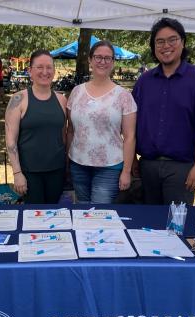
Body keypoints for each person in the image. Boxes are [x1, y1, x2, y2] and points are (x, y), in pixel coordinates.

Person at [132, 17, 195, 205]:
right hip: (147, 166)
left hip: (182, 169)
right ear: (154, 46)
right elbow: (131, 125)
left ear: (183, 42)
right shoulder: (144, 82)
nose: (166, 46)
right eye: (160, 41)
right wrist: (132, 160)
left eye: (172, 39)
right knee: (147, 225)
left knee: (176, 227)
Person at [66, 40, 137, 204]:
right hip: (78, 163)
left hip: (109, 166)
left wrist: (126, 171)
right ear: (90, 60)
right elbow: (70, 130)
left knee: (99, 212)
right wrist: (67, 160)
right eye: (98, 57)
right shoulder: (76, 92)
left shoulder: (124, 96)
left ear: (113, 62)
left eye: (107, 58)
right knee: (82, 209)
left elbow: (130, 137)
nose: (102, 62)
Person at [5, 50, 67, 204]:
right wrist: (17, 173)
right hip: (29, 173)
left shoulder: (62, 100)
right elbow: (10, 141)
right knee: (34, 218)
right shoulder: (18, 99)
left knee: (54, 214)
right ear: (30, 71)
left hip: (57, 171)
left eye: (49, 67)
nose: (45, 72)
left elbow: (64, 135)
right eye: (40, 67)